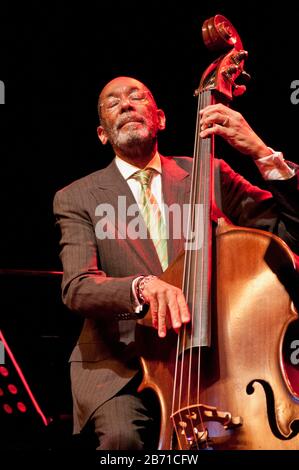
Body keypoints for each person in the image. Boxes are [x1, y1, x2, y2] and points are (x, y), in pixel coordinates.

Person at [53, 76, 299, 450]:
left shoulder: (209, 173)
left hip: (212, 354)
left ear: (161, 118)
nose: (126, 104)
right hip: (121, 365)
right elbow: (78, 287)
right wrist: (142, 286)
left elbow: (287, 232)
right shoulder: (77, 197)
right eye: (112, 103)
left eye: (137, 96)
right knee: (123, 441)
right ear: (102, 134)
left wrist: (261, 153)